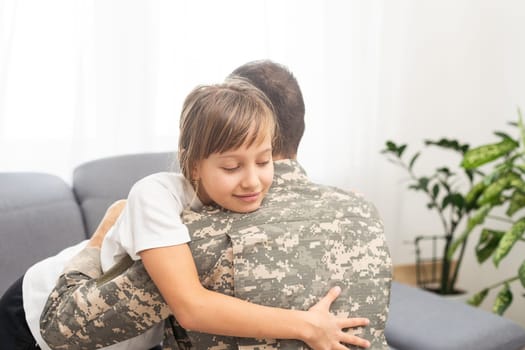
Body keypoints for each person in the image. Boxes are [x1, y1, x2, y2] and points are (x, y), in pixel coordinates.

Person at [40, 61, 391, 349]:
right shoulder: (179, 222)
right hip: (40, 296)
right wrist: (103, 234)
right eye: (230, 166)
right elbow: (59, 326)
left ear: (270, 136)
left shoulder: (347, 207)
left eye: (261, 160)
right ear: (195, 163)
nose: (251, 181)